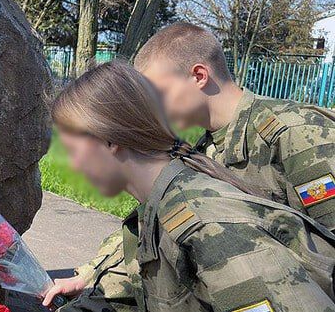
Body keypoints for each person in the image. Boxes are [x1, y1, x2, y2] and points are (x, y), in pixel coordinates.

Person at [52, 22, 335, 311]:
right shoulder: (201, 152)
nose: (146, 105)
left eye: (154, 92)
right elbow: (158, 233)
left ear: (199, 76)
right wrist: (93, 273)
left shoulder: (293, 131)